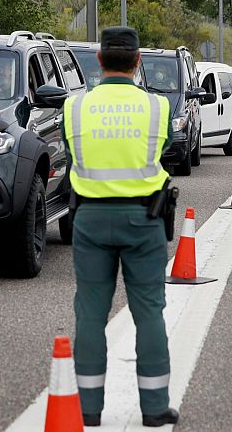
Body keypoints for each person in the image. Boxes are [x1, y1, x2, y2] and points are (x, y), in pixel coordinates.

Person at [62, 26, 179, 428]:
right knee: (149, 312)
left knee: (91, 313)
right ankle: (154, 408)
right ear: (138, 60)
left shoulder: (74, 107)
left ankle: (89, 411)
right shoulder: (157, 107)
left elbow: (73, 152)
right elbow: (162, 150)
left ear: (98, 60)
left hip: (90, 220)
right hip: (144, 221)